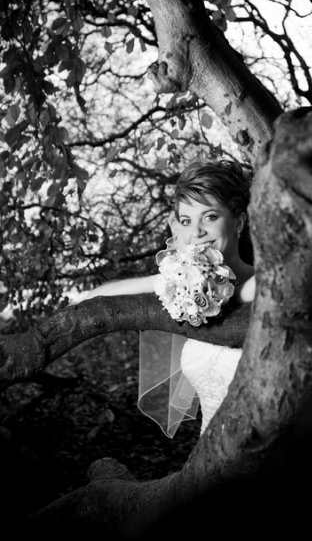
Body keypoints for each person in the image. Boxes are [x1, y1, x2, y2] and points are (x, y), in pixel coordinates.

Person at [85, 159, 255, 437]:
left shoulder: (265, 283)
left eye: (210, 217)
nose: (196, 233)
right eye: (186, 221)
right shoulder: (185, 289)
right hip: (208, 451)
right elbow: (95, 297)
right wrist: (169, 279)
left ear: (238, 222)